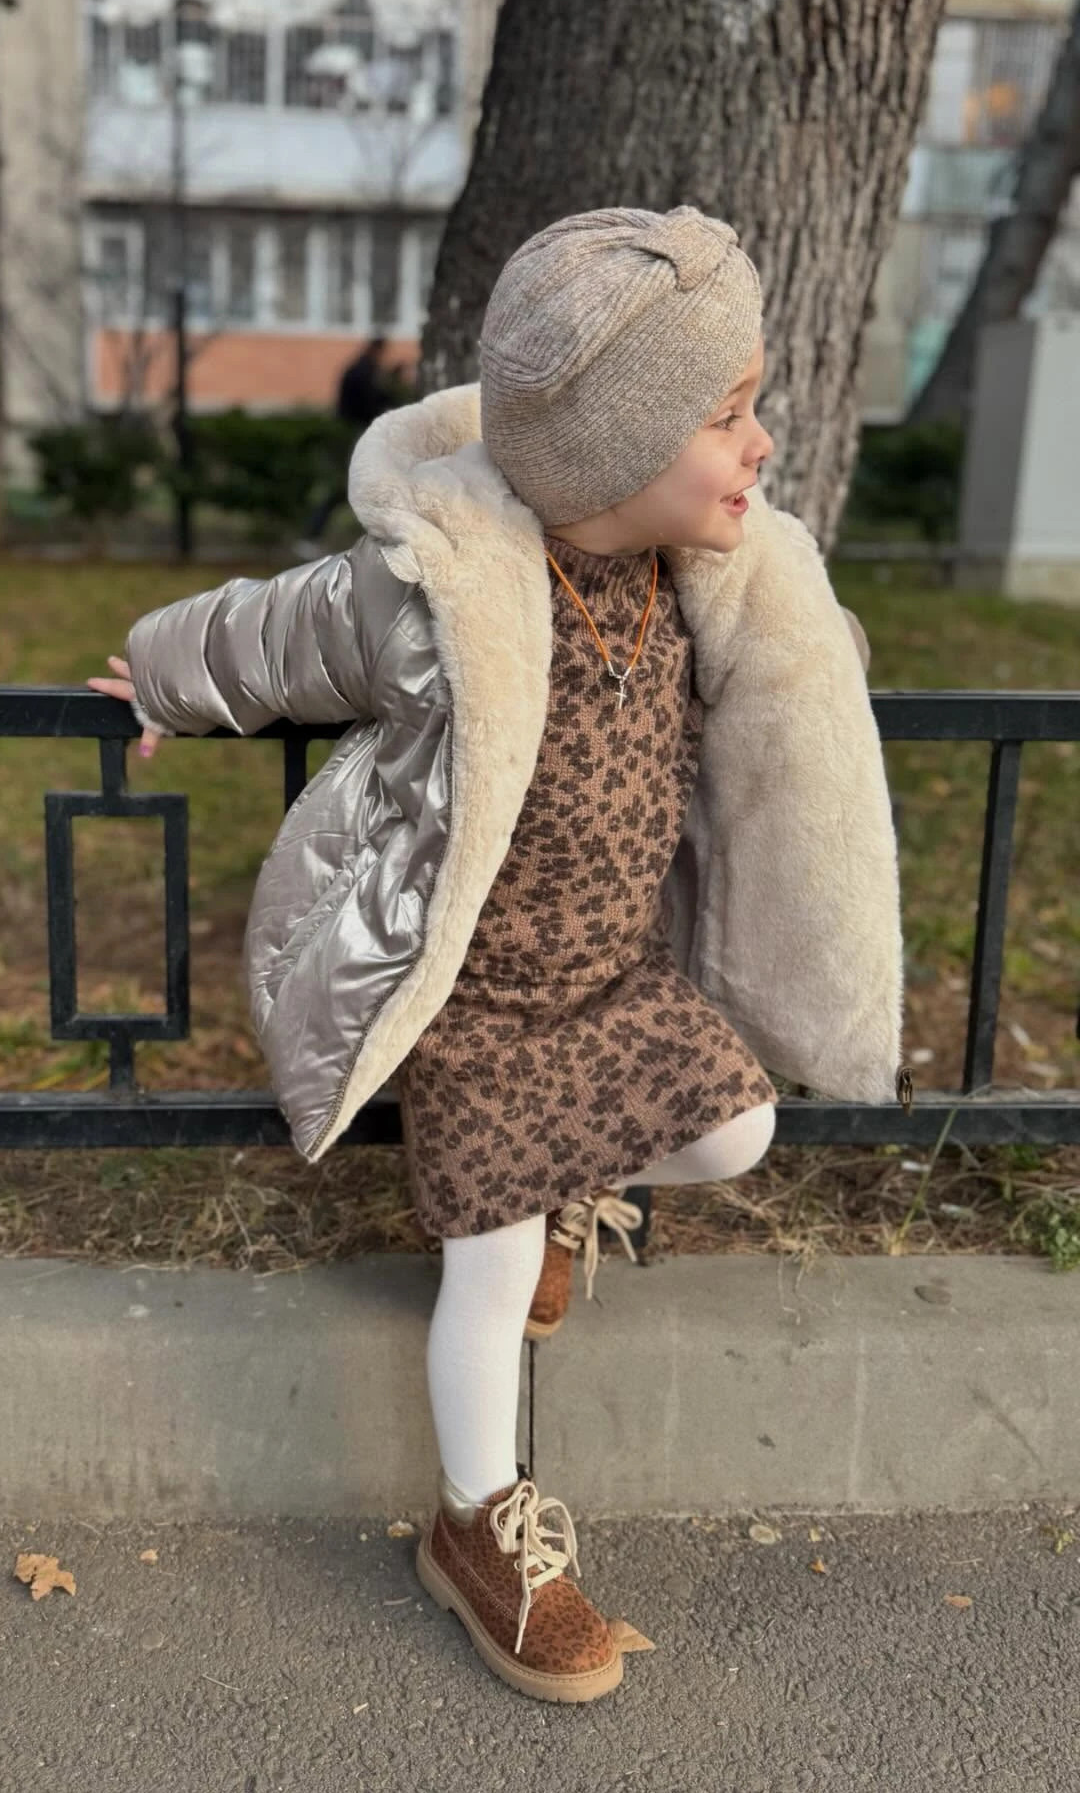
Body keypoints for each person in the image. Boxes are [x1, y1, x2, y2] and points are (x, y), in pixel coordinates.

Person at [87, 206, 907, 1705]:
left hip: (607, 981)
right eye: (726, 417)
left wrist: (823, 665)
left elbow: (804, 678)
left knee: (739, 1128)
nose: (763, 444)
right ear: (610, 451)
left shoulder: (700, 576)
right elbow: (281, 635)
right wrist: (158, 671)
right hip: (471, 1005)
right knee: (490, 1267)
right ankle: (478, 1524)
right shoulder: (439, 588)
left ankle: (569, 1184)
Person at [291, 334, 394, 560]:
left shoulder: (358, 368)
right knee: (343, 490)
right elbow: (368, 405)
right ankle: (311, 536)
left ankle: (312, 536)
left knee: (346, 491)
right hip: (355, 437)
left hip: (351, 435)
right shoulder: (364, 371)